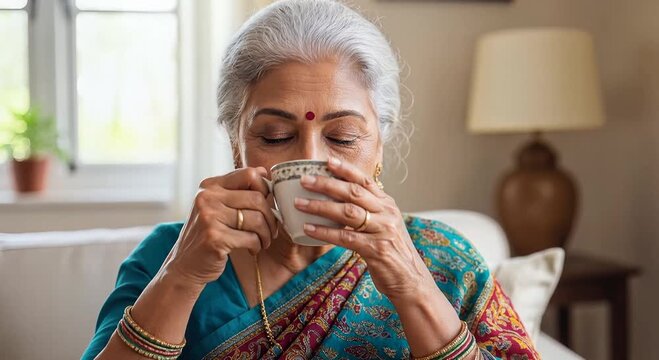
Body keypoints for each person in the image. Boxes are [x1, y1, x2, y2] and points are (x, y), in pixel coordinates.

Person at [82, 1, 539, 359]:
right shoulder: (175, 255)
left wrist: (412, 284)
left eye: (342, 137)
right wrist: (181, 277)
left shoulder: (442, 260)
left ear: (379, 146)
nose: (310, 159)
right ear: (236, 143)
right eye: (275, 135)